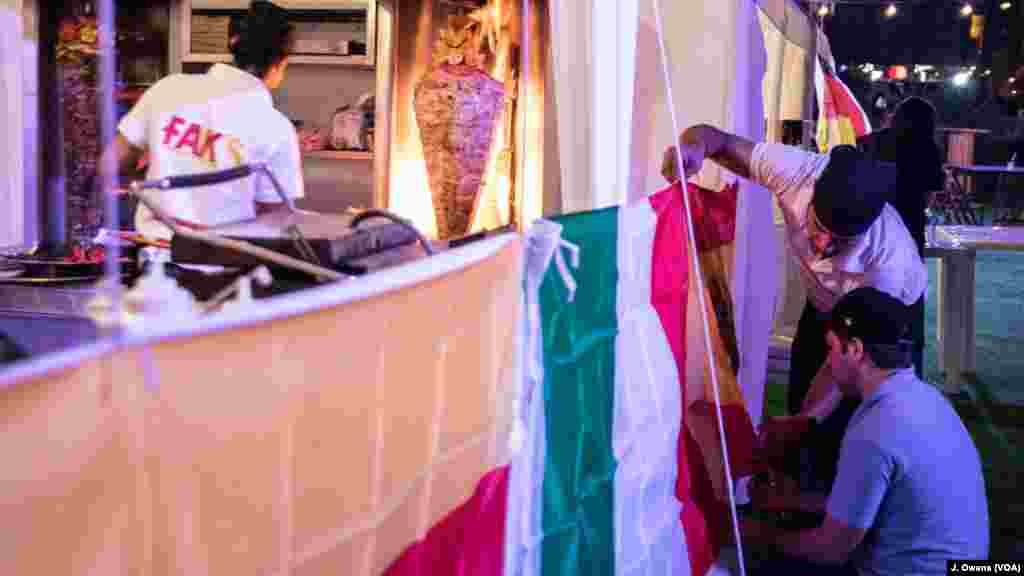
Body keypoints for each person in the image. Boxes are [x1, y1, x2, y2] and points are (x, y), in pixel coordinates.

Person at [662, 124, 928, 491]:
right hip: (823, 301)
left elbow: (843, 364)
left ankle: (843, 507)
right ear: (812, 193)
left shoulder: (888, 264)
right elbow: (715, 139)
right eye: (818, 226)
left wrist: (803, 422)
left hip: (885, 315)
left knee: (865, 418)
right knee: (801, 390)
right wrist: (691, 149)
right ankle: (796, 489)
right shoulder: (797, 172)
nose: (821, 245)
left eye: (839, 242)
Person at [741, 287, 989, 575]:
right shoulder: (929, 399)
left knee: (758, 562)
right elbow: (870, 503)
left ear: (855, 350)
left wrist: (759, 534)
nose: (829, 361)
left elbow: (830, 549)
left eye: (832, 348)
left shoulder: (875, 428)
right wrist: (789, 501)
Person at [101, 0, 302, 240]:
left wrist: (158, 172)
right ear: (281, 63)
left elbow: (110, 163)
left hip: (152, 252)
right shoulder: (277, 128)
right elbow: (277, 219)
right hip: (225, 257)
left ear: (233, 45)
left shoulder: (169, 88)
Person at [858, 96, 944, 377]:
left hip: (872, 230)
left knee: (870, 297)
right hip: (909, 232)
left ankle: (865, 370)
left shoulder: (871, 141)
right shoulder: (928, 149)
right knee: (909, 303)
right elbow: (929, 195)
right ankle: (909, 374)